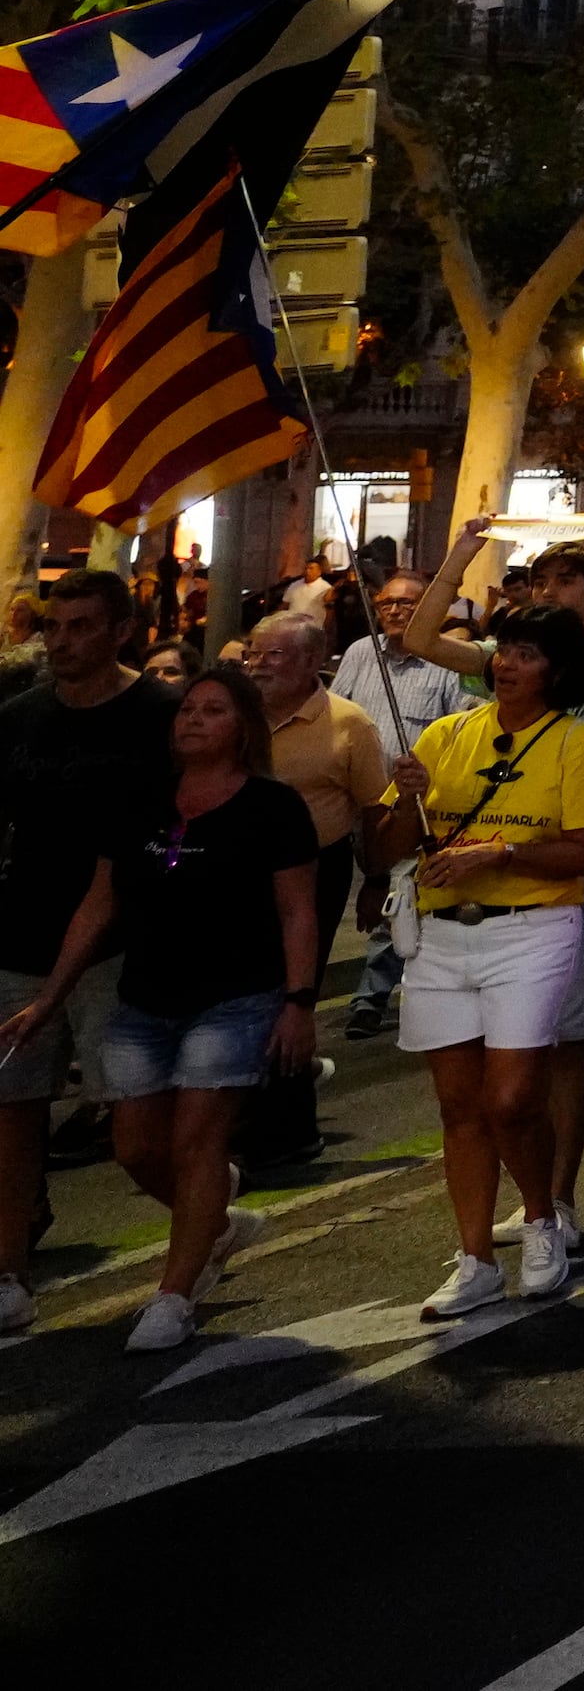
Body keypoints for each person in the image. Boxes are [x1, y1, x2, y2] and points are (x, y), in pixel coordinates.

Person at [0, 662, 314, 1348]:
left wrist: (299, 999)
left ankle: (174, 1293)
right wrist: (49, 998)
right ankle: (218, 1222)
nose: (193, 720)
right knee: (136, 1145)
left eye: (213, 710)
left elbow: (297, 909)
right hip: (145, 995)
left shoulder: (271, 806)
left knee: (196, 1137)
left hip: (235, 996)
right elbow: (98, 903)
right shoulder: (143, 800)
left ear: (243, 726)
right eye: (187, 710)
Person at [385, 608, 584, 1317]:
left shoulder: (576, 742)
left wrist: (502, 852)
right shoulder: (445, 734)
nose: (507, 664)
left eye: (526, 652)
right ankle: (475, 1259)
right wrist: (407, 797)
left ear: (556, 668)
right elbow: (389, 842)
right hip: (442, 932)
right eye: (502, 651)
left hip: (534, 927)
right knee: (459, 1107)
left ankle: (542, 1216)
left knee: (513, 1096)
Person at [0, 562, 179, 1337]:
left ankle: (206, 1204)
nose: (63, 642)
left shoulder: (162, 714)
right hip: (19, 937)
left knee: (136, 1136)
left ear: (120, 631)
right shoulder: (18, 718)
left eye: (80, 627)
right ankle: (9, 1274)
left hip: (126, 943)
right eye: (52, 627)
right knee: (11, 1115)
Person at [233, 610, 380, 1167]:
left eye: (273, 655)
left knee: (292, 995)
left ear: (313, 661)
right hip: (236, 877)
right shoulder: (234, 714)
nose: (258, 664)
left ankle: (289, 1124)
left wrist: (377, 883)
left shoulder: (348, 723)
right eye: (253, 652)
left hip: (316, 872)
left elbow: (371, 809)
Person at [330, 562, 471, 1037]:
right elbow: (338, 712)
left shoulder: (447, 658)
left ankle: (370, 998)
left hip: (411, 803)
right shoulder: (358, 653)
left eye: (406, 602)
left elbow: (461, 727)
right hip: (356, 800)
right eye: (386, 602)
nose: (394, 610)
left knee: (397, 895)